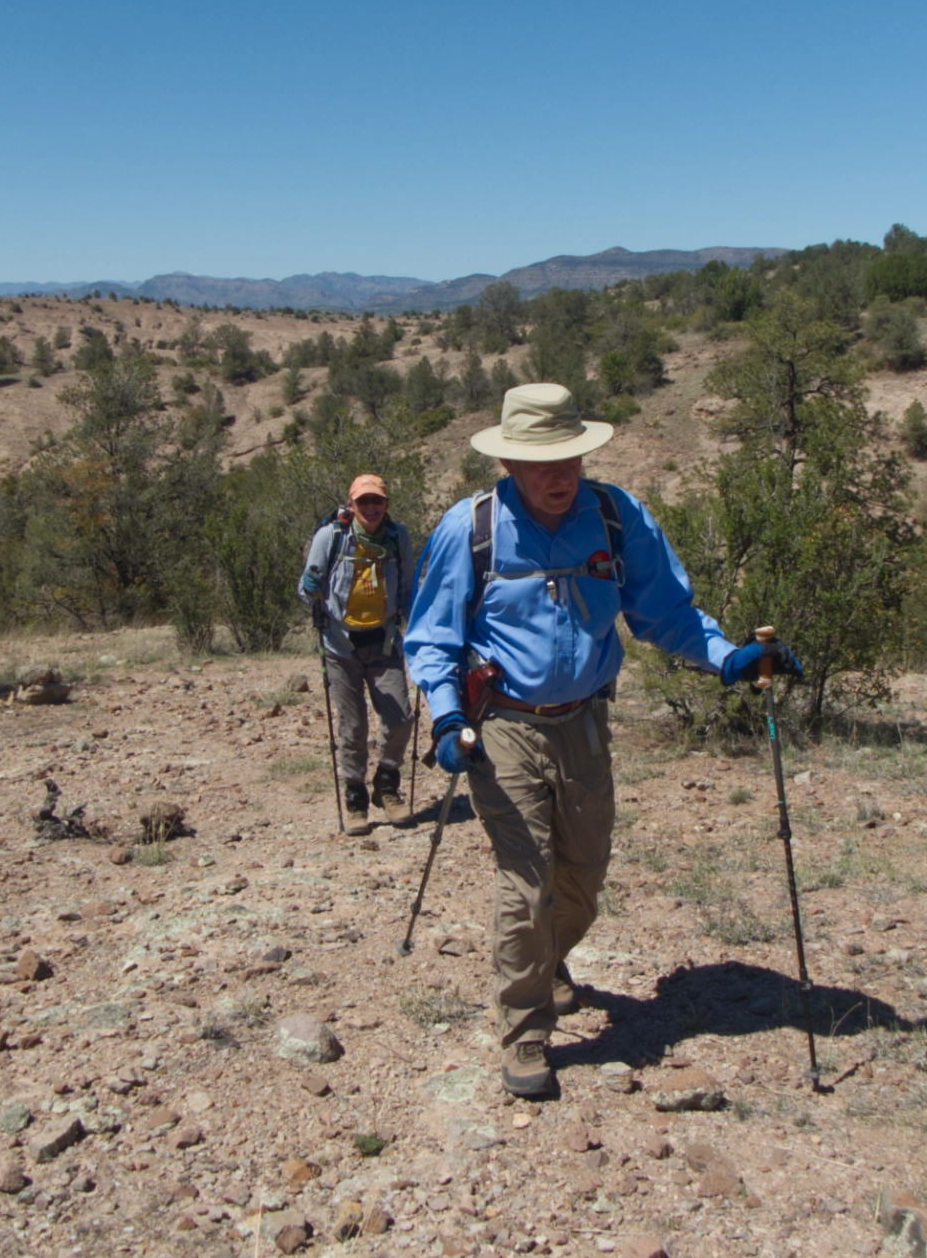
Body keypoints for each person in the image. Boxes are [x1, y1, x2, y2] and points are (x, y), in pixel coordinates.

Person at [405, 384, 802, 1097]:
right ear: (511, 464)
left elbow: (667, 613)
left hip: (586, 722)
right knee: (524, 884)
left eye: (572, 460)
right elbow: (432, 638)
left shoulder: (616, 519)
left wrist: (728, 659)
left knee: (582, 879)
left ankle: (547, 957)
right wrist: (442, 718)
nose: (562, 476)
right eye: (544, 464)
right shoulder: (472, 528)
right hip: (502, 726)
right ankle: (525, 1032)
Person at [298, 474, 416, 835]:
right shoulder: (331, 537)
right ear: (351, 505)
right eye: (363, 502)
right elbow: (307, 589)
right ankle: (355, 798)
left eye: (376, 501)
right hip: (340, 647)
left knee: (400, 718)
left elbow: (409, 588)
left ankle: (386, 784)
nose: (370, 508)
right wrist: (311, 590)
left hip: (383, 643)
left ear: (386, 505)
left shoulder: (398, 539)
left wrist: (421, 625)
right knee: (353, 727)